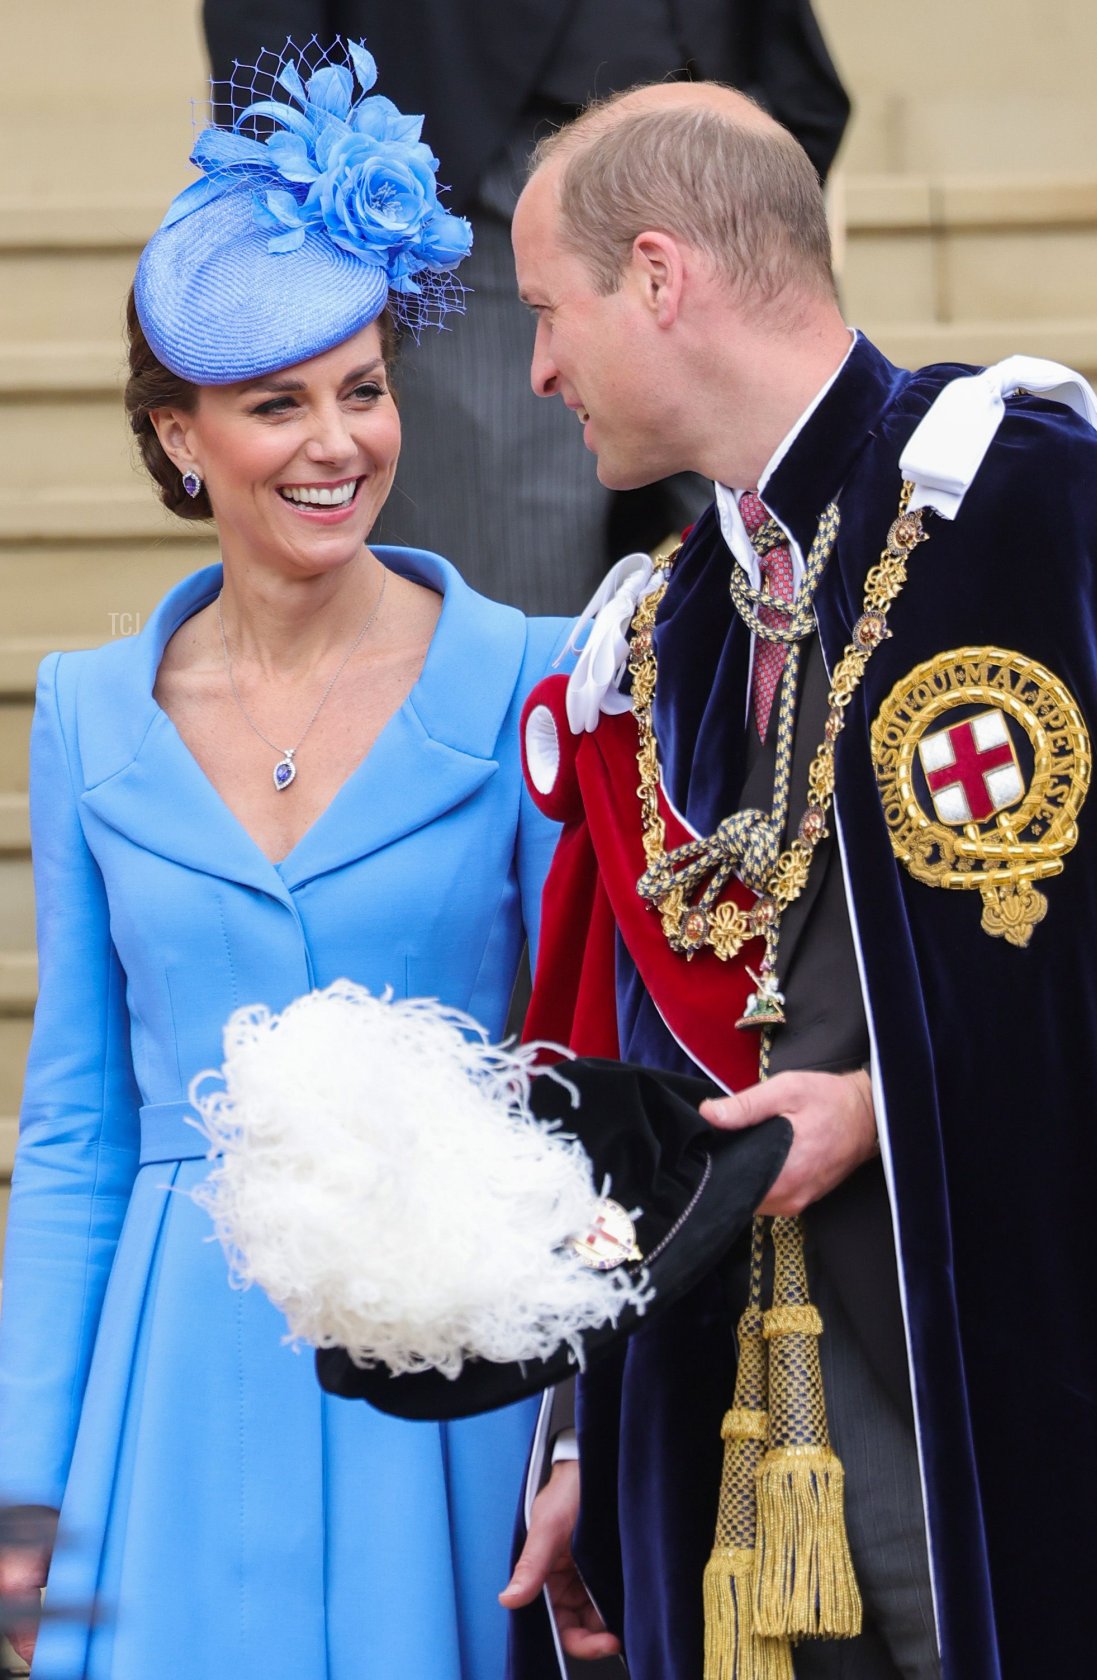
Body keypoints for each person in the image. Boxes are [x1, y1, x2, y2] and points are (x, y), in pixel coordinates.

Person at [501, 83, 1097, 1680]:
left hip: (1003, 1369)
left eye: (551, 310)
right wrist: (579, 1436)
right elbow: (622, 1030)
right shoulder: (670, 622)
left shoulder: (1022, 508)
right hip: (734, 1428)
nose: (535, 366)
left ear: (660, 278)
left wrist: (881, 1104)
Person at [0, 41, 569, 1680]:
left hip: (454, 1384)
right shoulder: (87, 715)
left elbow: (579, 1083)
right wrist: (32, 1496)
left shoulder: (526, 675)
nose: (338, 443)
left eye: (364, 386)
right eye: (275, 405)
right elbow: (74, 1127)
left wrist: (583, 1436)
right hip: (173, 1394)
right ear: (180, 441)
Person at [202, 1, 851, 613]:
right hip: (468, 174)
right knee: (516, 615)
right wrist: (301, 195)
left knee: (829, 565)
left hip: (726, 140)